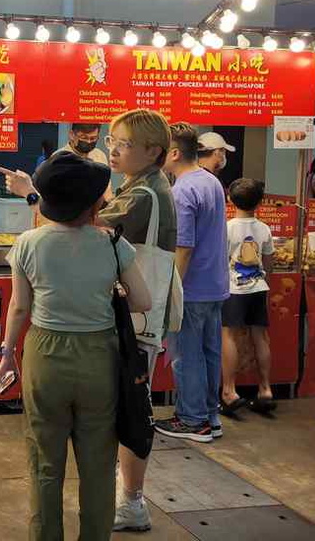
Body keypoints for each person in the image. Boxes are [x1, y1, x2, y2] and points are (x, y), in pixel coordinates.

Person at [0, 152, 151, 541]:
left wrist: (6, 354)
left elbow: (19, 307)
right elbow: (143, 300)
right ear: (94, 203)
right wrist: (109, 290)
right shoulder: (114, 244)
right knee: (98, 466)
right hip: (100, 356)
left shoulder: (29, 243)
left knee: (45, 463)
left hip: (45, 355)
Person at [98, 110, 177, 532]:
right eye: (113, 140)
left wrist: (39, 196)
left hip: (139, 320)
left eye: (124, 143)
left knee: (130, 411)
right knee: (128, 408)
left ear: (153, 152)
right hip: (140, 317)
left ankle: (132, 502)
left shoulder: (145, 193)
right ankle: (127, 493)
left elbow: (91, 228)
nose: (114, 148)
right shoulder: (140, 185)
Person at [155, 123, 229, 443]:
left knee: (186, 355)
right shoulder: (210, 181)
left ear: (173, 153)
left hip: (192, 287)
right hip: (215, 284)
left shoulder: (182, 191)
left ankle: (191, 419)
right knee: (209, 352)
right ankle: (210, 417)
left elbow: (183, 247)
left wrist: (172, 291)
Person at [221, 178, 276, 415]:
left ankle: (229, 391)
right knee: (260, 337)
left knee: (229, 336)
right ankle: (265, 389)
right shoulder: (264, 228)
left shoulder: (226, 228)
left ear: (230, 200)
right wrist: (264, 282)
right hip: (258, 288)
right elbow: (269, 262)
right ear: (260, 203)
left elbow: (219, 261)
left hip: (233, 290)